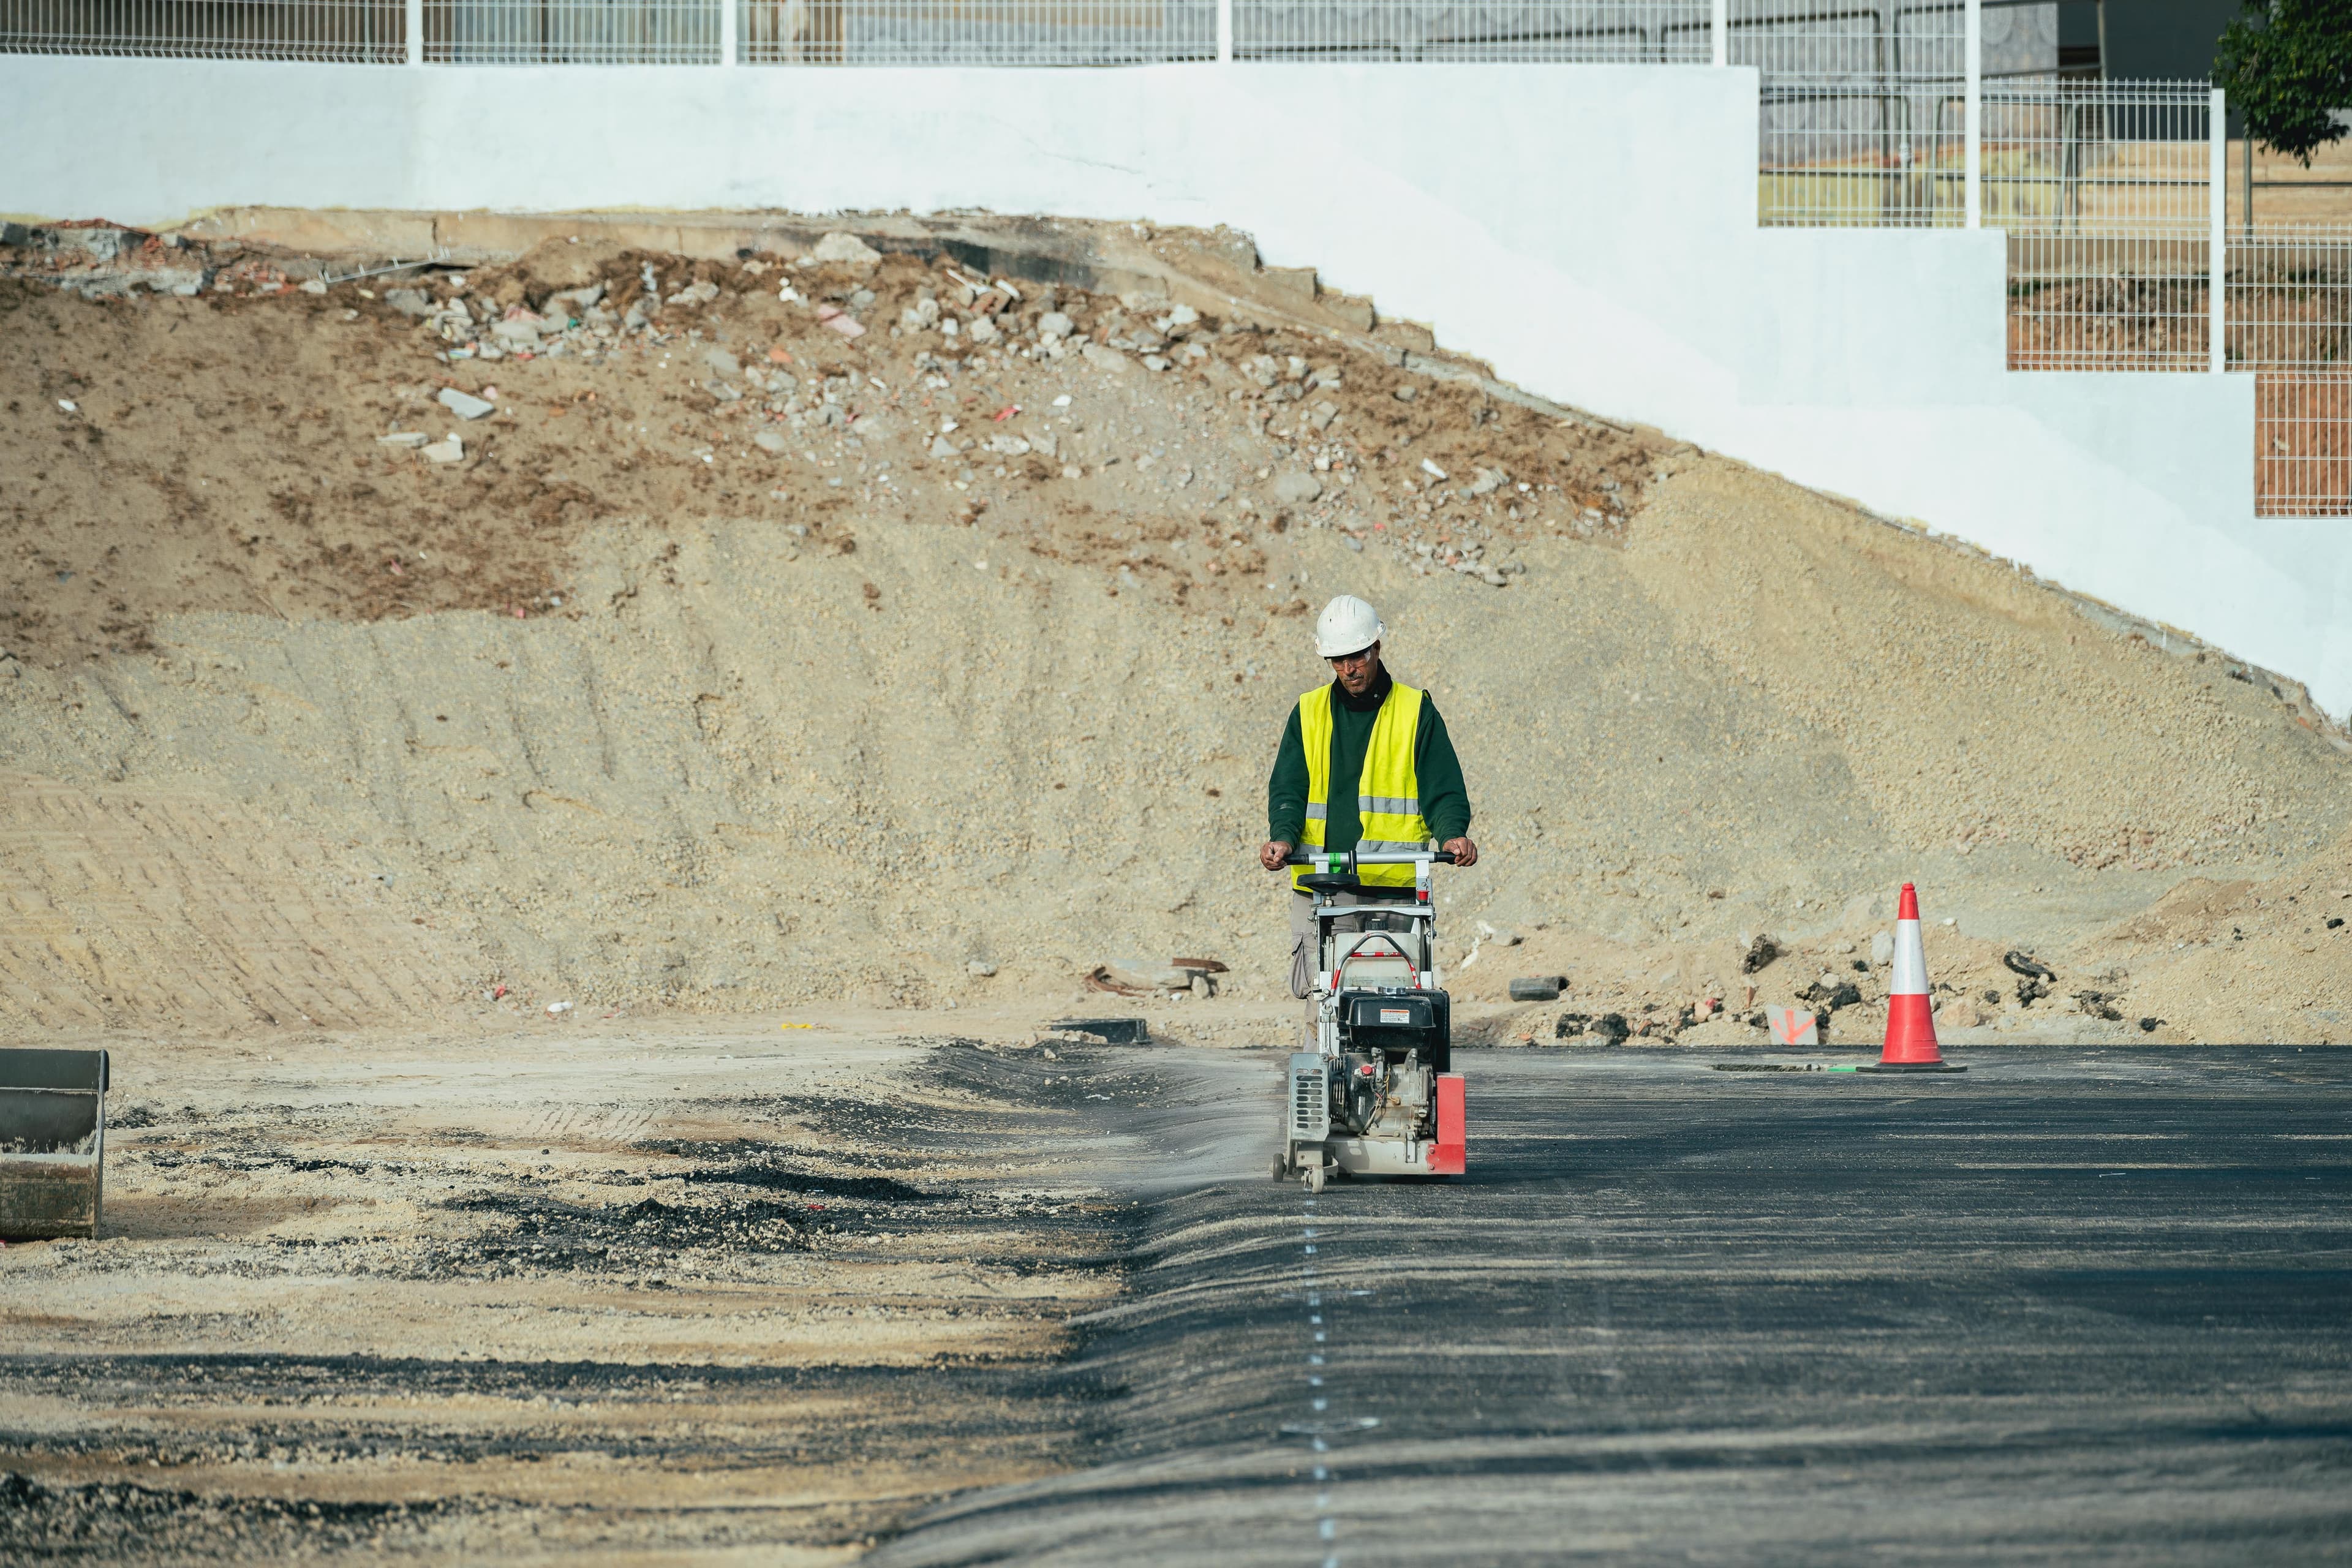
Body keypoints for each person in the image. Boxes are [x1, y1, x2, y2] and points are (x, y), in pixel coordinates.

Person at [1260, 595, 1476, 1000]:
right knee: (1324, 1006)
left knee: (1394, 1003)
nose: (1349, 669)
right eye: (1338, 660)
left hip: (1392, 890)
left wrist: (1452, 835)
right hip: (1324, 887)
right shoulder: (1308, 712)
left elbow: (1442, 789)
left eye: (1357, 656)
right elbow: (1289, 790)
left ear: (1377, 647)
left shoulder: (1415, 711)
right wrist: (1283, 838)